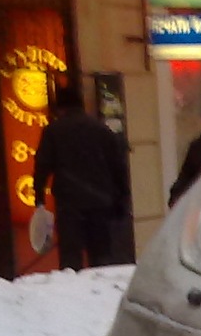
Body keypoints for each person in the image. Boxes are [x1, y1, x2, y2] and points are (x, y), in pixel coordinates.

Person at [32, 80, 129, 271]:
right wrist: (121, 198)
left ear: (60, 108)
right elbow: (118, 166)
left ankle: (73, 292)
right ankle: (99, 291)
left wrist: (39, 198)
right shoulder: (101, 130)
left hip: (69, 202)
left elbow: (42, 165)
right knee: (101, 254)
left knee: (71, 255)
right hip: (100, 200)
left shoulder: (54, 131)